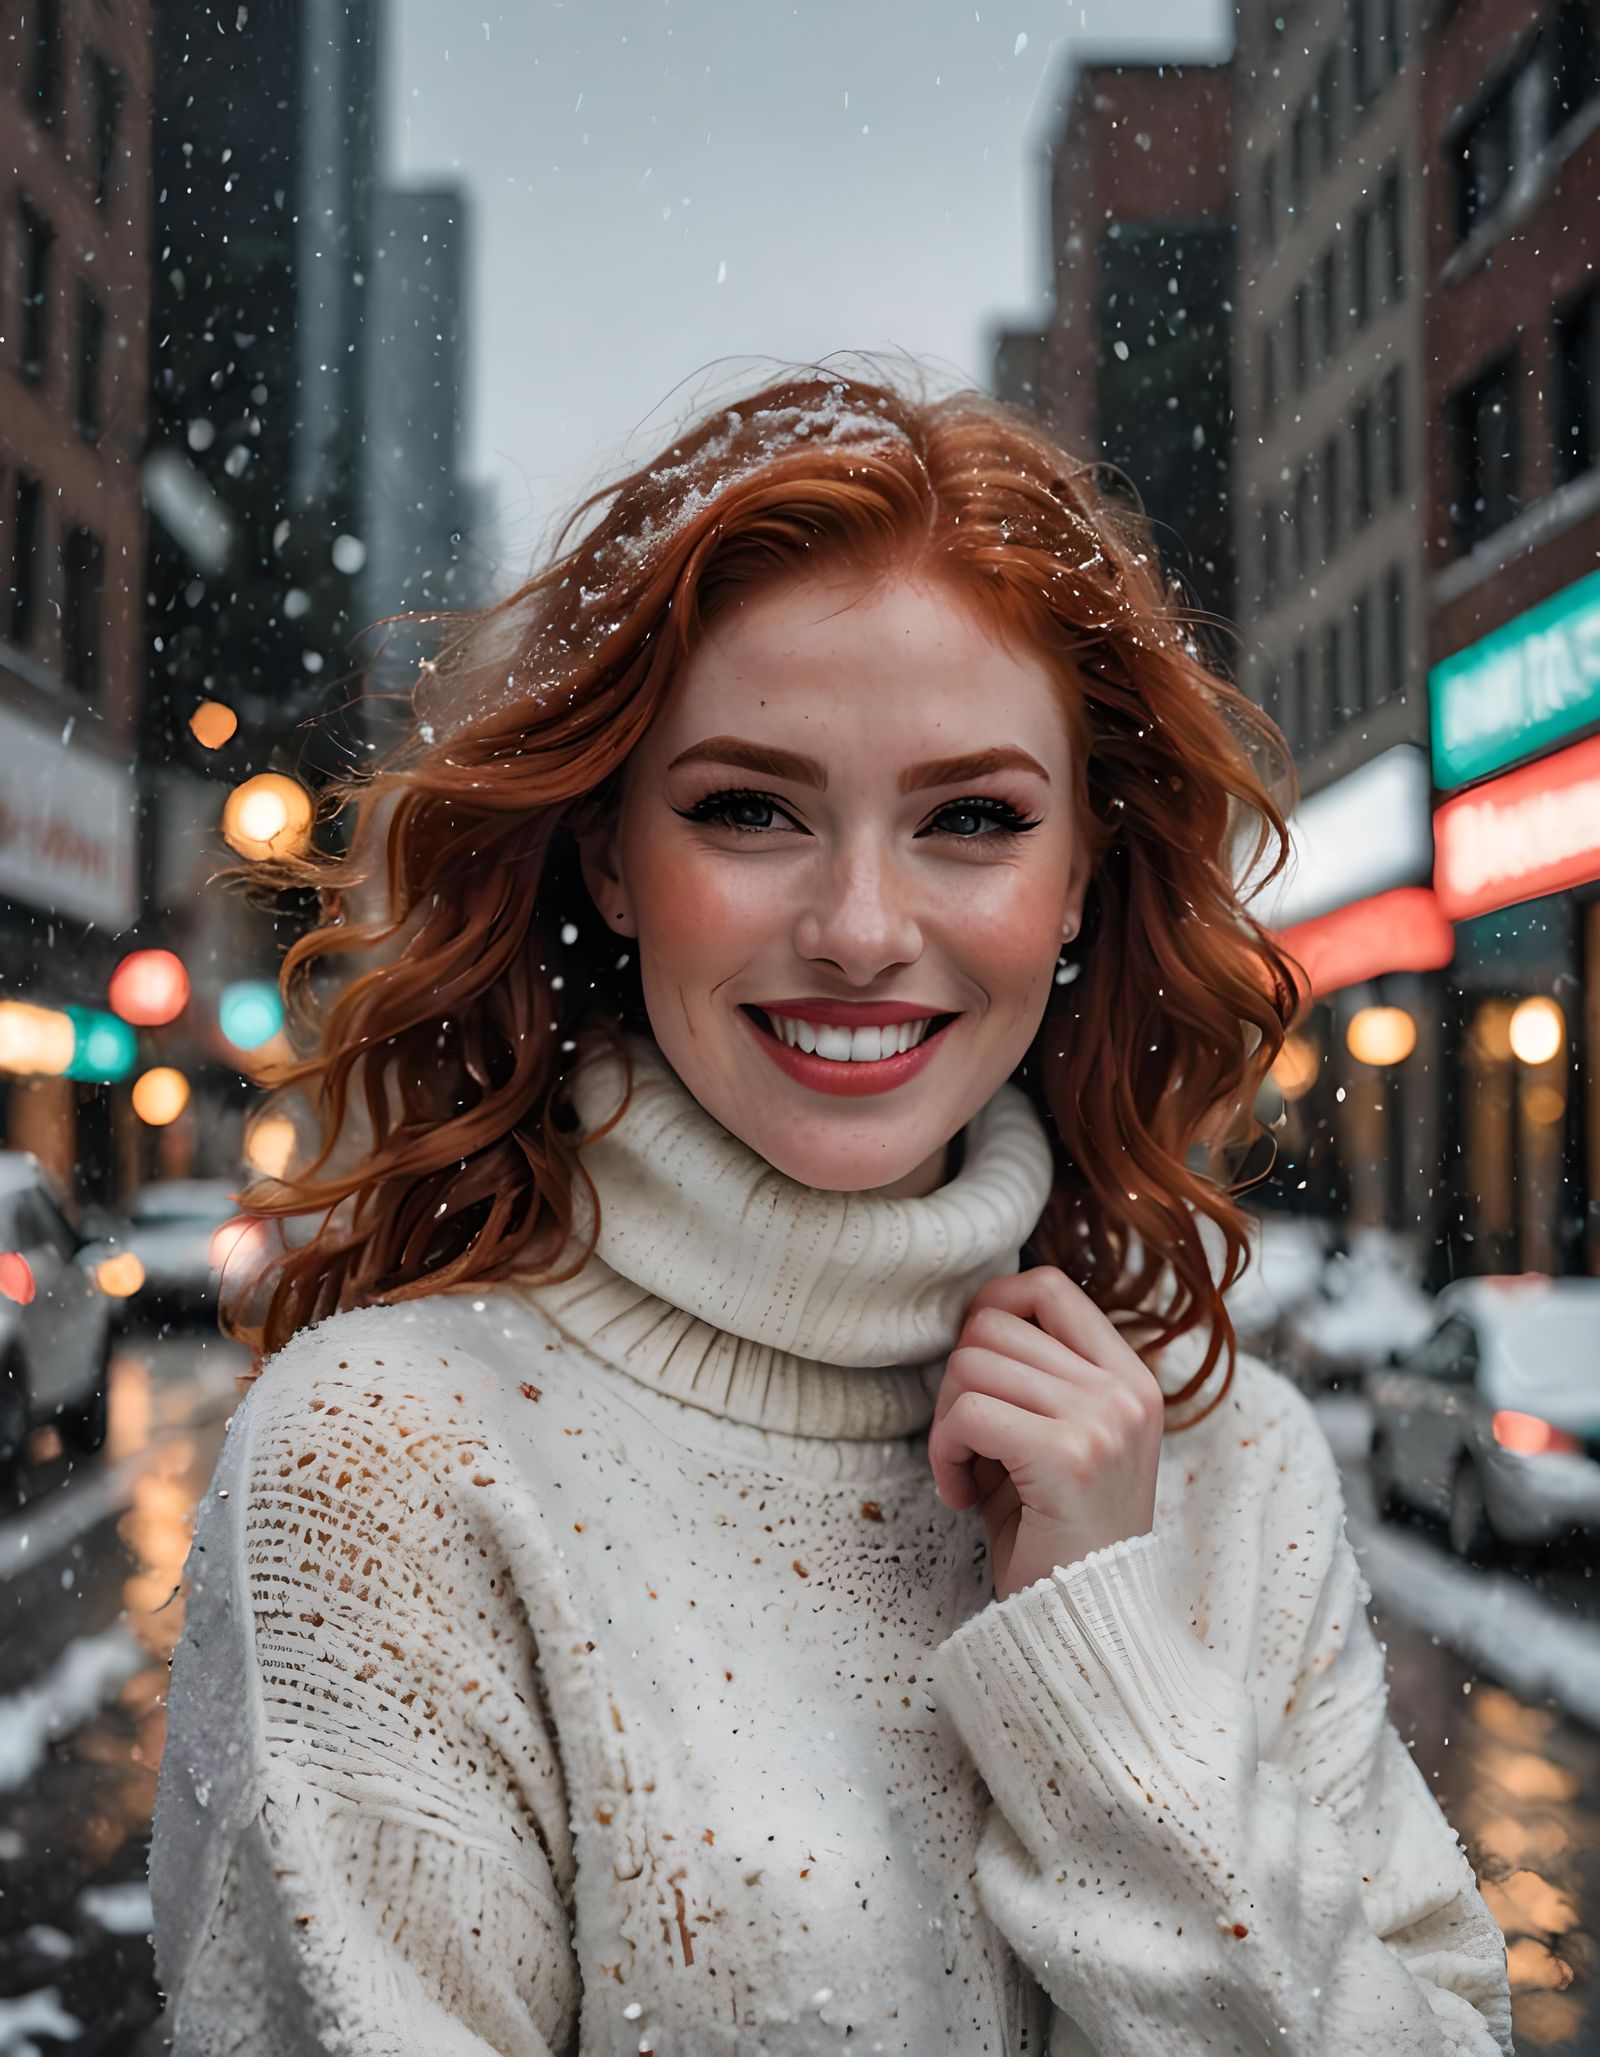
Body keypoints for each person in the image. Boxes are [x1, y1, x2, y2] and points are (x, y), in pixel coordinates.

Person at [148, 359, 1513, 2055]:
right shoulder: (384, 1465)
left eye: (971, 818)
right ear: (606, 859)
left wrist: (1107, 1669)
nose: (862, 926)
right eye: (750, 808)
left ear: (1081, 864)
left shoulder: (1229, 1453)